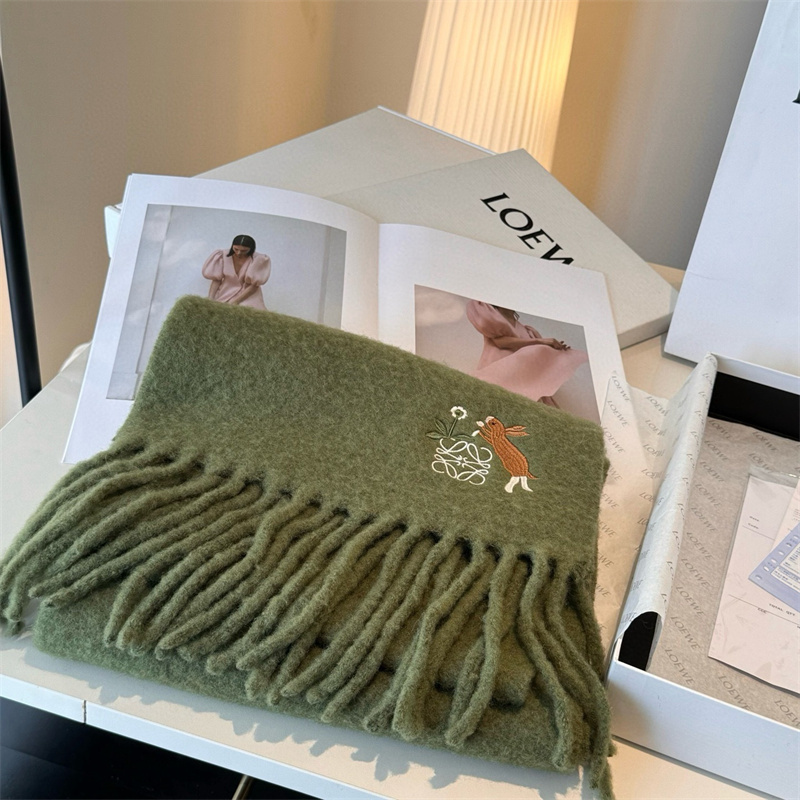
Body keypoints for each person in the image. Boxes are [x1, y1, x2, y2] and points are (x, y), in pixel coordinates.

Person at [465, 300, 588, 408]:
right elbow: (501, 342)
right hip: (499, 372)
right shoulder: (489, 314)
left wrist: (557, 349)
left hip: (522, 378)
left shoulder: (528, 331)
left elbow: (535, 356)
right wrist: (542, 341)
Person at [202, 235, 271, 310]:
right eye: (236, 249)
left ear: (251, 249)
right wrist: (210, 298)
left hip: (248, 294)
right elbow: (216, 279)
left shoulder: (258, 259)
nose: (238, 253)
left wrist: (235, 302)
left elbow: (254, 286)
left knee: (245, 310)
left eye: (244, 251)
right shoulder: (222, 255)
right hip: (225, 292)